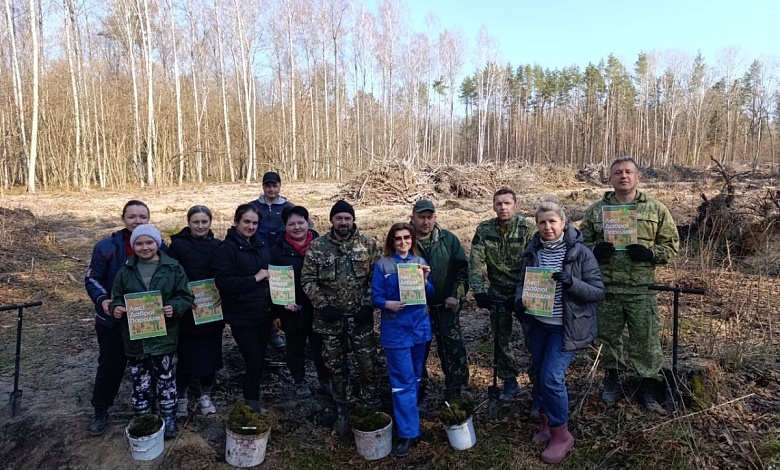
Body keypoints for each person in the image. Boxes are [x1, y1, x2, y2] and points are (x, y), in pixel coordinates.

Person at [580, 156, 680, 412]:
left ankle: (648, 386)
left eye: (628, 172)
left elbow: (671, 245)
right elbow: (580, 246)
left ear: (638, 177)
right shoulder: (595, 211)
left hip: (641, 290)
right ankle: (612, 381)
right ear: (610, 178)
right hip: (607, 288)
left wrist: (650, 253)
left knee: (645, 340)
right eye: (617, 173)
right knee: (608, 339)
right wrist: (594, 251)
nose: (623, 176)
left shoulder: (656, 209)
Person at [513, 201, 604, 464]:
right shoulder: (533, 251)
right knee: (540, 376)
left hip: (566, 328)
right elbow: (523, 282)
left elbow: (598, 292)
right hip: (538, 325)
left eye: (552, 221)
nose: (547, 227)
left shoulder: (581, 253)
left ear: (563, 223)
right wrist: (520, 299)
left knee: (552, 378)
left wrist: (571, 282)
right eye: (542, 222)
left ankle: (562, 435)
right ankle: (546, 424)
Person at [300, 200, 380, 439]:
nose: (343, 222)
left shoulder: (368, 245)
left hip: (360, 320)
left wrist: (367, 304)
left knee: (368, 365)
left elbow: (378, 278)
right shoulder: (318, 247)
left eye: (347, 218)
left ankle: (370, 407)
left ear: (353, 220)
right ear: (331, 220)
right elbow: (307, 279)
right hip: (330, 322)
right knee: (335, 366)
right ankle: (343, 407)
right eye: (339, 218)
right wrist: (323, 306)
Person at [109, 224, 193, 439]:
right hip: (135, 340)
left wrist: (174, 307)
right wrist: (115, 308)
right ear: (132, 245)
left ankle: (168, 418)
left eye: (149, 242)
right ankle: (143, 418)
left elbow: (186, 295)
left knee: (165, 379)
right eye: (139, 243)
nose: (144, 247)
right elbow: (116, 297)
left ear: (157, 243)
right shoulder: (125, 270)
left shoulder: (173, 268)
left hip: (164, 337)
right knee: (139, 380)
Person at [85, 200, 159, 436]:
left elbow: (169, 275)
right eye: (132, 216)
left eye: (142, 217)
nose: (137, 221)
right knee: (111, 365)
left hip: (146, 317)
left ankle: (151, 409)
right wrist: (103, 301)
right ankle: (101, 410)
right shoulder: (107, 246)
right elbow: (92, 278)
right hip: (113, 320)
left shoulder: (157, 243)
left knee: (149, 364)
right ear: (123, 218)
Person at [371, 223, 434, 457]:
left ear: (412, 239)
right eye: (398, 238)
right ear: (392, 241)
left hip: (419, 326)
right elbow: (375, 296)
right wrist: (387, 304)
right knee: (402, 381)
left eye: (407, 237)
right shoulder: (384, 264)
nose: (403, 242)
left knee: (416, 377)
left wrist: (426, 280)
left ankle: (412, 421)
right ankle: (408, 433)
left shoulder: (419, 262)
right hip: (396, 329)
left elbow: (430, 293)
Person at [469, 188, 536, 402]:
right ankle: (509, 381)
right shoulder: (485, 229)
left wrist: (521, 294)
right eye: (498, 204)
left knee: (534, 339)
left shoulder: (528, 229)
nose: (503, 207)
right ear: (493, 206)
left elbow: (535, 264)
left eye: (507, 203)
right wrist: (479, 291)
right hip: (497, 293)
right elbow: (476, 262)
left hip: (524, 293)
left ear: (515, 205)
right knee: (500, 340)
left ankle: (538, 385)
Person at [212, 204, 278, 414]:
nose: (250, 226)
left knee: (260, 358)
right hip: (242, 316)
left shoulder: (262, 245)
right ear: (236, 222)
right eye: (246, 222)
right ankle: (252, 406)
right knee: (254, 361)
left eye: (254, 223)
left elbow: (271, 277)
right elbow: (224, 283)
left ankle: (254, 398)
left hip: (263, 313)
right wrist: (254, 278)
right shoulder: (226, 249)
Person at [409, 200, 470, 407]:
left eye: (429, 217)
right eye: (421, 217)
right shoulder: (404, 240)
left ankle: (456, 392)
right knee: (417, 354)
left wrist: (456, 295)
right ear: (413, 218)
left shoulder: (449, 240)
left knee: (454, 352)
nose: (425, 222)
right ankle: (419, 392)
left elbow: (462, 271)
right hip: (416, 312)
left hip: (446, 308)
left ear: (435, 218)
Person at [167, 206, 224, 417]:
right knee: (186, 353)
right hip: (187, 310)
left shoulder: (219, 246)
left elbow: (225, 273)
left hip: (212, 308)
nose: (200, 226)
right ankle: (181, 395)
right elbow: (170, 276)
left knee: (210, 352)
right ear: (188, 223)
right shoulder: (177, 247)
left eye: (204, 222)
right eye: (196, 222)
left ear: (210, 222)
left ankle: (205, 395)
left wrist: (223, 293)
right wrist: (182, 297)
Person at [270, 206, 330, 399]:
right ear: (285, 227)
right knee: (295, 347)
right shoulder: (277, 251)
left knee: (320, 347)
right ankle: (299, 381)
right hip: (291, 309)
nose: (297, 227)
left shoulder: (322, 246)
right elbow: (273, 282)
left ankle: (325, 380)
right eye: (291, 224)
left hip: (318, 308)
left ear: (308, 223)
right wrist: (277, 311)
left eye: (300, 222)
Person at [249, 171, 293, 350]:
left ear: (280, 187)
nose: (271, 189)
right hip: (258, 255)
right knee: (263, 295)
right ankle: (269, 334)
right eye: (268, 185)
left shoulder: (288, 207)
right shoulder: (253, 206)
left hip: (282, 255)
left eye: (275, 185)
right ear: (263, 187)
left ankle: (288, 331)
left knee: (282, 293)